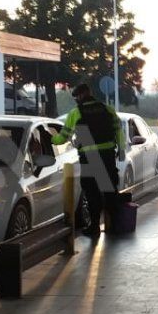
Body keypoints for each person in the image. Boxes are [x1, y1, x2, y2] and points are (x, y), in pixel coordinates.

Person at [54, 83, 124, 235]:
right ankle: (116, 226)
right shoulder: (107, 109)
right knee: (109, 191)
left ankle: (94, 228)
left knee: (92, 193)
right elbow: (119, 130)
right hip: (107, 155)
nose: (76, 100)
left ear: (80, 96)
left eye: (76, 97)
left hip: (90, 158)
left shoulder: (76, 112)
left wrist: (52, 140)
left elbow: (62, 138)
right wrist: (122, 150)